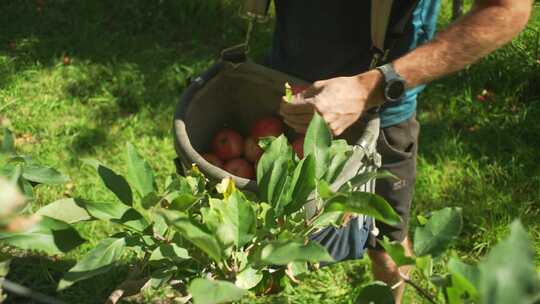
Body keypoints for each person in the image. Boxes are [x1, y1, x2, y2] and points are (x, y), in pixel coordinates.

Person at [271, 0, 533, 303]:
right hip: (281, 86)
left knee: (387, 248)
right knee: (269, 222)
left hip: (377, 116)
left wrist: (371, 87)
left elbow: (507, 10)